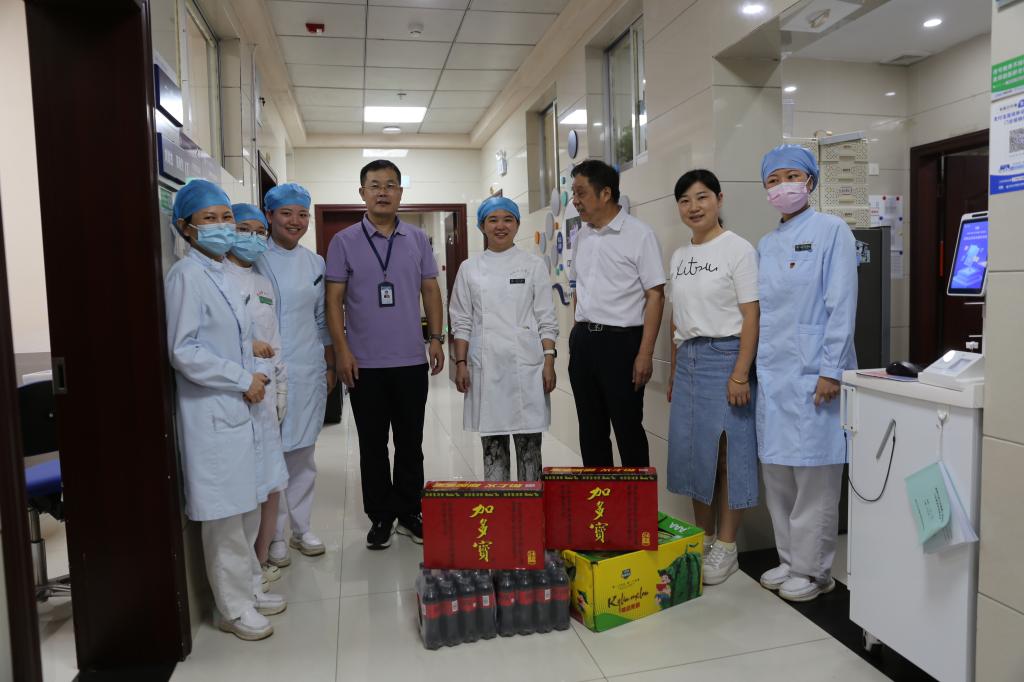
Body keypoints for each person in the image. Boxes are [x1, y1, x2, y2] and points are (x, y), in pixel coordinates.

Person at [165, 180, 286, 641]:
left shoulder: (220, 275)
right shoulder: (186, 276)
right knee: (224, 516)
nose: (222, 226)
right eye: (209, 219)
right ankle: (231, 608)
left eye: (226, 217)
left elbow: (239, 339)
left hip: (241, 407)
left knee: (247, 504)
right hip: (213, 411)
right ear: (186, 227)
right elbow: (184, 350)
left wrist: (256, 369)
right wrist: (241, 378)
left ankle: (250, 587)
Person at [325, 160, 445, 550]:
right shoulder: (343, 241)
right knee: (372, 444)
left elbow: (430, 290)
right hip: (364, 364)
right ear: (362, 193)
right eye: (374, 185)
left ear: (400, 193)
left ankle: (409, 510)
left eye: (390, 185)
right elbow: (333, 300)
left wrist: (436, 338)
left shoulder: (417, 239)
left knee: (411, 442)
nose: (382, 191)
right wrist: (342, 350)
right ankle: (380, 515)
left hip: (410, 360)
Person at [756, 145, 857, 602]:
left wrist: (831, 370)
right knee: (779, 473)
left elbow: (841, 304)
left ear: (811, 182)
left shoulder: (832, 230)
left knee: (815, 475)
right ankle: (789, 559)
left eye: (792, 176)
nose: (784, 186)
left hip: (817, 373)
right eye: (773, 179)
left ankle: (814, 571)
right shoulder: (766, 244)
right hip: (774, 373)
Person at [665, 170, 760, 586]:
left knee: (727, 453)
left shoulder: (738, 249)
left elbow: (752, 315)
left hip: (726, 356)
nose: (694, 207)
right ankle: (701, 539)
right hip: (688, 358)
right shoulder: (679, 256)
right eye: (685, 200)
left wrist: (740, 373)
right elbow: (677, 319)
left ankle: (727, 545)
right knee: (693, 454)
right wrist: (674, 370)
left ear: (719, 200)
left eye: (702, 197)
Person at [449, 196, 559, 481]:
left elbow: (546, 318)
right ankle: (498, 504)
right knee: (493, 451)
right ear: (482, 226)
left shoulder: (532, 265)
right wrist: (460, 363)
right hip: (487, 367)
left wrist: (549, 361)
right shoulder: (469, 268)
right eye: (493, 220)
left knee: (530, 451)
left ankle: (531, 505)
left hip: (527, 367)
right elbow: (461, 320)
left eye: (508, 219)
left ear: (517, 224)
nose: (501, 226)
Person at [255, 183, 335, 567]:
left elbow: (322, 319)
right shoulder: (254, 258)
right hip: (264, 371)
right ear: (269, 215)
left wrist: (328, 363)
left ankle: (301, 529)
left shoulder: (315, 264)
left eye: (302, 214)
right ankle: (274, 536)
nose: (295, 221)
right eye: (286, 213)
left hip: (305, 368)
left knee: (302, 453)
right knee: (272, 455)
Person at [568, 160, 665, 467]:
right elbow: (578, 288)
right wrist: (576, 332)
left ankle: (636, 499)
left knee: (628, 430)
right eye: (573, 193)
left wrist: (645, 353)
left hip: (622, 343)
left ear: (606, 193)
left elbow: (655, 295)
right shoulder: (581, 236)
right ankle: (600, 498)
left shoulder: (639, 234)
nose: (575, 201)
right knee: (590, 431)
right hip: (584, 342)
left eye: (581, 192)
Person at [224, 203, 289, 586]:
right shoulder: (217, 278)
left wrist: (281, 387)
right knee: (246, 485)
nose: (252, 237)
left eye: (258, 231)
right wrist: (249, 351)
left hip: (265, 394)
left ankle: (261, 559)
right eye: (243, 229)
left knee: (272, 480)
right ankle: (246, 568)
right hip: (235, 393)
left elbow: (274, 339)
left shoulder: (263, 283)